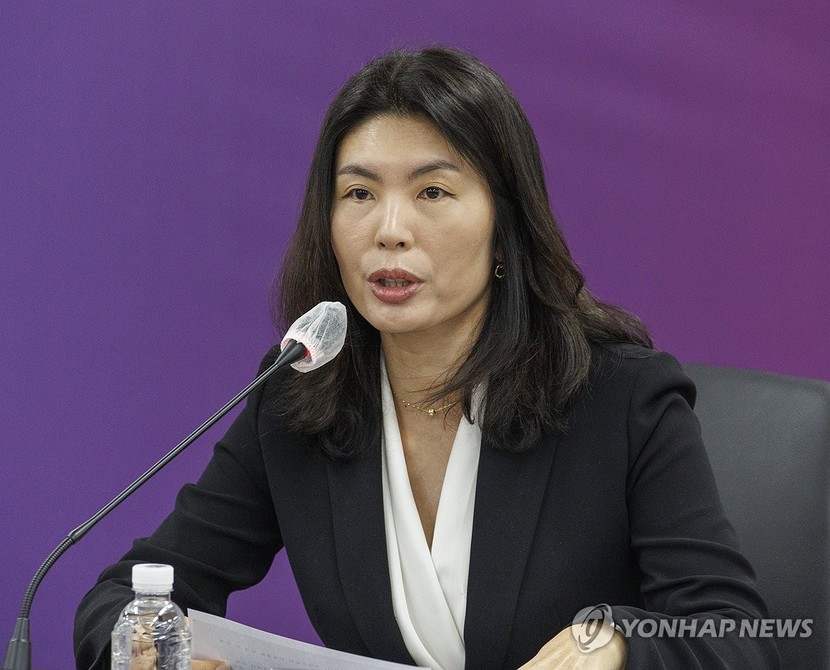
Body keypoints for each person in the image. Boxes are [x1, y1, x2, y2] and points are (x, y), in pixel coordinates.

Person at [74, 47, 780, 669]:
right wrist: (141, 648)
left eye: (432, 192)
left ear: (505, 226)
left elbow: (736, 637)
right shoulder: (302, 396)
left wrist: (617, 640)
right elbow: (127, 595)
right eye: (358, 193)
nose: (389, 230)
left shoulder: (620, 398)